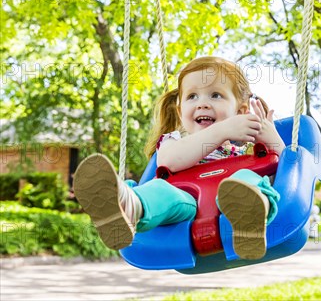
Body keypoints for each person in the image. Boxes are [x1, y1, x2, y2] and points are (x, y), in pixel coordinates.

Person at [73, 56, 286, 260]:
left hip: (229, 210)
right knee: (161, 191)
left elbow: (289, 173)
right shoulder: (173, 141)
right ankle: (127, 207)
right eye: (192, 96)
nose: (202, 103)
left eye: (215, 95)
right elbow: (169, 162)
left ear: (240, 110)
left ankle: (250, 220)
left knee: (249, 180)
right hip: (186, 206)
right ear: (180, 110)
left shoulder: (248, 151)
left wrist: (272, 139)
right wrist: (222, 130)